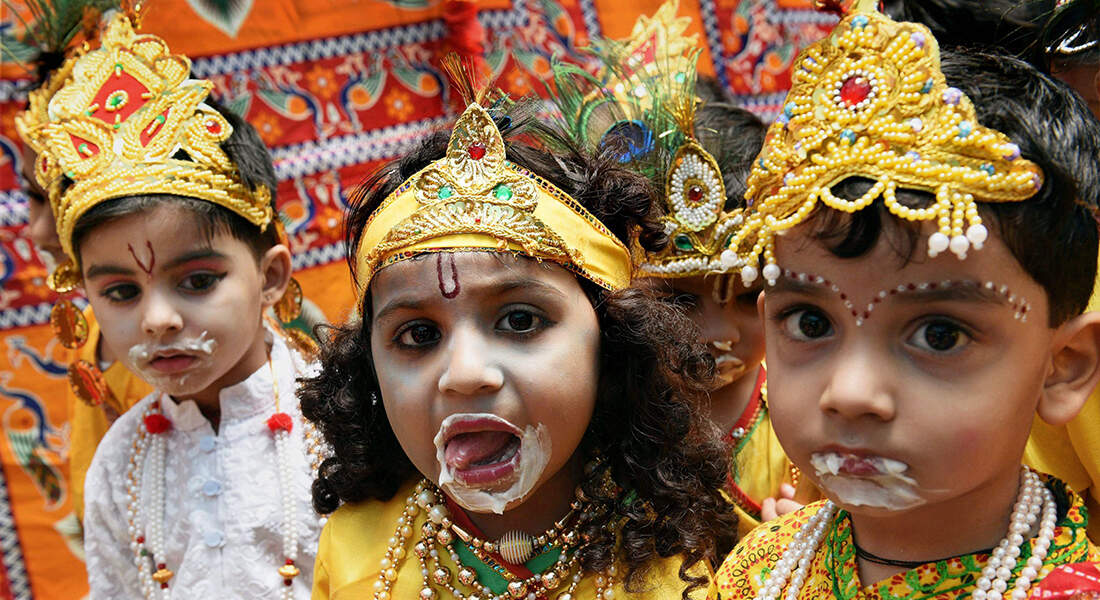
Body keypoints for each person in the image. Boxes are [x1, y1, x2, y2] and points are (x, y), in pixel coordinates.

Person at [300, 59, 735, 599]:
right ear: (370, 372)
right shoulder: (353, 551)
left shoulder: (690, 554)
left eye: (520, 321)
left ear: (613, 344)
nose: (465, 374)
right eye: (419, 335)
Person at [711, 1, 1100, 598]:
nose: (850, 393)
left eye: (939, 335)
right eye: (810, 322)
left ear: (1064, 365)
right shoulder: (755, 570)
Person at [21, 11, 324, 598]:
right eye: (121, 292)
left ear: (271, 277)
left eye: (198, 281)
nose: (158, 320)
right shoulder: (120, 463)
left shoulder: (346, 421)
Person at [550, 0, 815, 534]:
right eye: (679, 301)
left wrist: (809, 541)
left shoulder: (812, 409)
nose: (719, 335)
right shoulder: (590, 419)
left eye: (749, 297)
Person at [11, 0, 152, 525]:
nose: (36, 231)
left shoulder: (193, 349)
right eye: (31, 198)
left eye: (54, 200)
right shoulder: (94, 328)